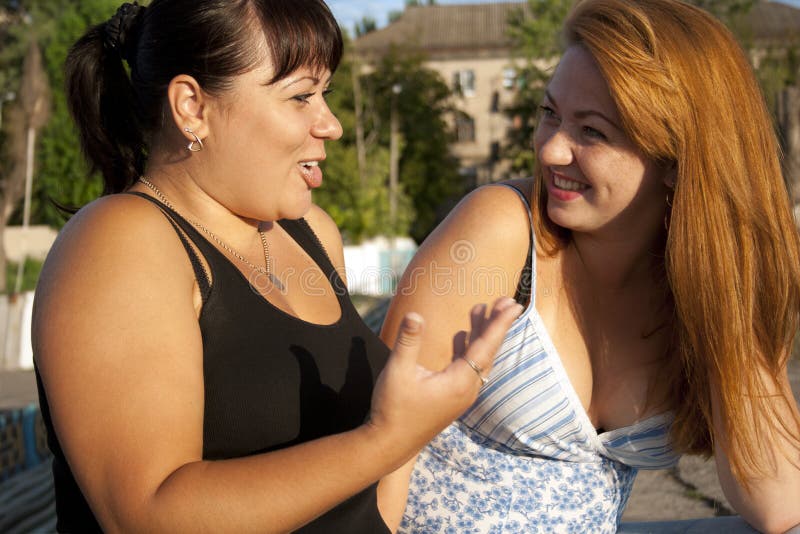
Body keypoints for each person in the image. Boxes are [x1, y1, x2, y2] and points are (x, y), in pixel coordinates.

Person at [31, 1, 524, 532]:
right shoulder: (119, 240)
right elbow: (147, 515)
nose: (330, 125)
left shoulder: (314, 232)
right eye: (300, 97)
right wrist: (385, 439)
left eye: (325, 95)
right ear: (191, 106)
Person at [379, 0, 800, 532]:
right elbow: (375, 450)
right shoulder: (502, 230)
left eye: (592, 132)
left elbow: (779, 500)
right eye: (550, 114)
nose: (552, 150)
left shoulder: (697, 291)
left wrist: (727, 294)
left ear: (677, 161)